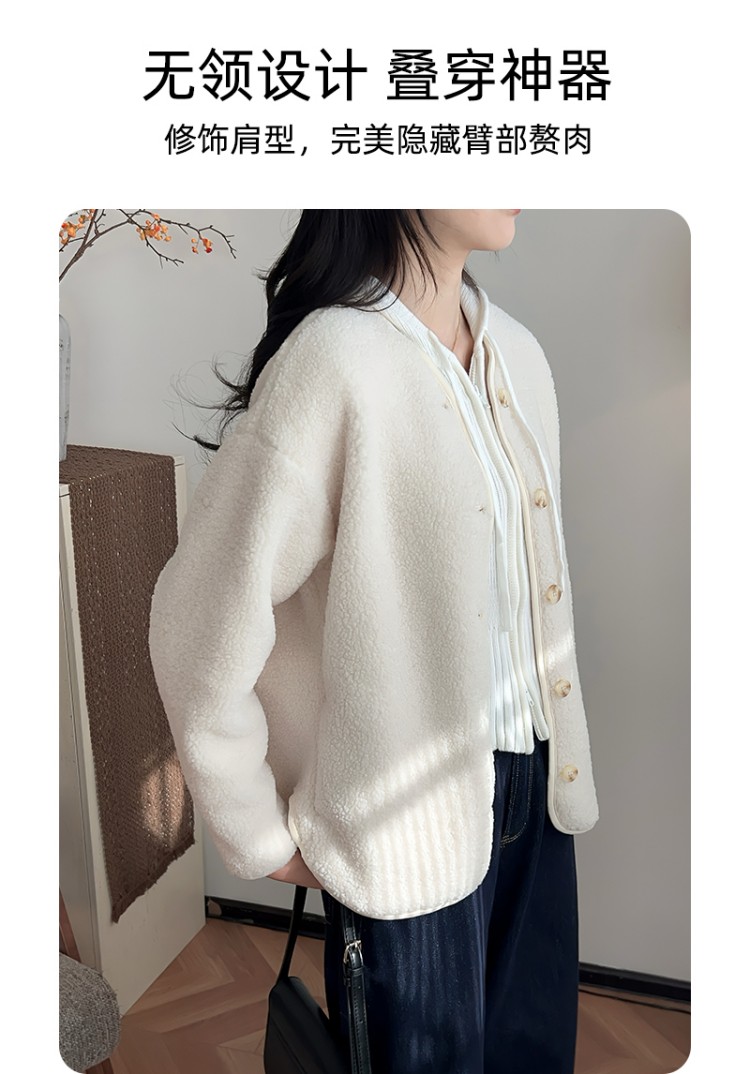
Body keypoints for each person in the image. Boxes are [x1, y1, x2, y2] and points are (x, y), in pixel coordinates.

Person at [148, 209, 599, 1074]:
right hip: (401, 827)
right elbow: (196, 624)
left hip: (540, 800)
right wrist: (260, 836)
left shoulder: (519, 355)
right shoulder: (334, 361)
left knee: (537, 1055)